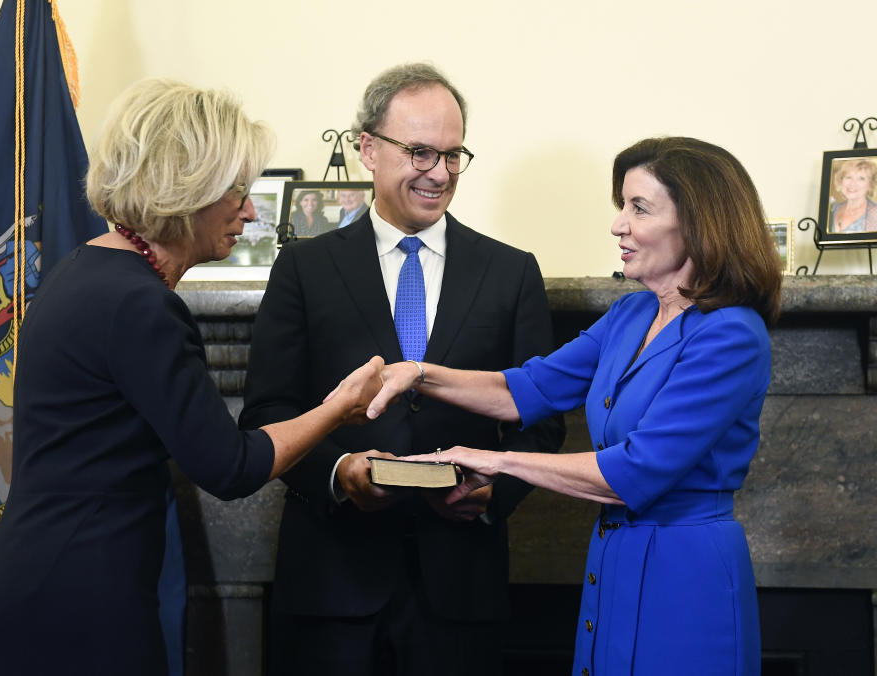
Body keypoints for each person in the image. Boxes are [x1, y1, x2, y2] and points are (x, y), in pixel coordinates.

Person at [0, 78, 383, 676]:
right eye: (236, 191)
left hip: (42, 580)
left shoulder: (85, 271)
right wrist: (338, 407)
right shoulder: (140, 305)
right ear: (185, 187)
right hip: (78, 599)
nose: (249, 209)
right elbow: (231, 468)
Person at [368, 136, 782, 675]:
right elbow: (523, 389)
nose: (618, 225)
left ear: (699, 223)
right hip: (614, 559)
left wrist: (494, 460)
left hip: (687, 576)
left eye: (638, 208)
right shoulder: (630, 316)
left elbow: (632, 473)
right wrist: (416, 374)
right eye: (621, 206)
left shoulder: (732, 336)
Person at [239, 63, 564, 676]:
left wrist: (495, 493)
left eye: (452, 155)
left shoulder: (511, 272)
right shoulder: (303, 269)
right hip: (332, 586)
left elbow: (539, 419)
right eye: (419, 152)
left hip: (462, 589)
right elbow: (267, 412)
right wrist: (340, 471)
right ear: (367, 148)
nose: (438, 173)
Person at [828, 158, 877, 233]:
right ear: (841, 180)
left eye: (861, 179)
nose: (852, 184)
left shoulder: (874, 213)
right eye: (849, 177)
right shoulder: (834, 209)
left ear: (870, 185)